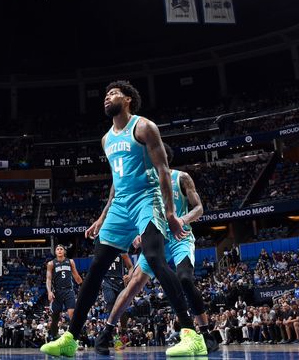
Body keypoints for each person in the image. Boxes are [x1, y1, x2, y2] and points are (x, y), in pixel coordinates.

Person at [41, 80, 205, 357]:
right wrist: (103, 216)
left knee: (154, 257)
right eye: (105, 95)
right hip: (120, 205)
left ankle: (191, 334)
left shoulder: (144, 127)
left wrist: (170, 213)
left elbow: (164, 170)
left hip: (146, 199)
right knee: (96, 269)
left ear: (128, 100)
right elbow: (116, 182)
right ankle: (70, 338)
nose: (107, 98)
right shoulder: (106, 139)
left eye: (113, 93)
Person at [94, 144, 219, 354]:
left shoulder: (181, 177)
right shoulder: (144, 182)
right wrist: (137, 233)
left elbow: (199, 208)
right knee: (133, 285)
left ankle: (205, 332)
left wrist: (183, 219)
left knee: (185, 279)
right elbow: (136, 210)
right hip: (158, 239)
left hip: (180, 237)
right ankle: (107, 332)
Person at [45, 244, 83, 337]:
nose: (59, 250)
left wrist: (83, 286)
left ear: (64, 251)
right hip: (57, 292)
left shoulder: (70, 261)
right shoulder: (51, 264)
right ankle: (54, 336)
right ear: (55, 252)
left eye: (61, 249)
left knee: (72, 314)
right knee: (55, 316)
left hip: (69, 291)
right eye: (57, 249)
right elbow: (48, 279)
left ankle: (76, 337)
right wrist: (49, 291)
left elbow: (76, 276)